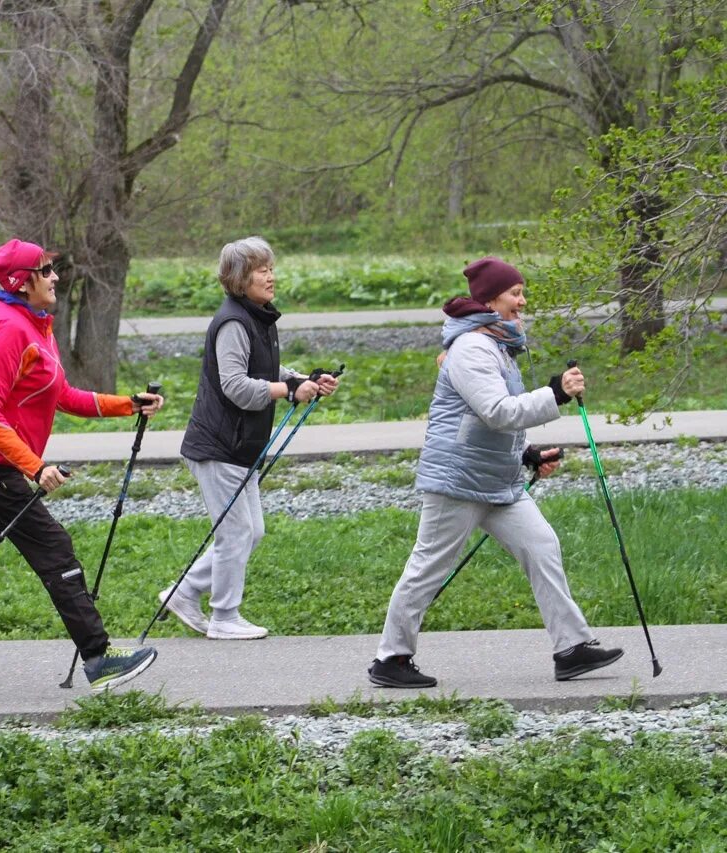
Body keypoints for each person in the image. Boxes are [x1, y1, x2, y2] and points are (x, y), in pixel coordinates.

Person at [0, 238, 165, 701]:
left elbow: (63, 395)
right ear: (23, 281)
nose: (55, 277)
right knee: (54, 549)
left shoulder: (36, 326)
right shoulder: (8, 330)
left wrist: (126, 405)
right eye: (46, 271)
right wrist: (34, 468)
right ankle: (98, 658)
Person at [369, 256, 623, 688]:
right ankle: (390, 660)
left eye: (522, 293)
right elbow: (496, 411)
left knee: (542, 546)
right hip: (458, 480)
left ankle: (572, 649)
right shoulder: (472, 349)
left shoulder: (497, 345)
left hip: (497, 481)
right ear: (489, 301)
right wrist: (556, 393)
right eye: (515, 294)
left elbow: (495, 422)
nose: (522, 302)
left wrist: (528, 454)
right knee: (429, 565)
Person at [165, 236, 340, 640]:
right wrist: (287, 391)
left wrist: (301, 379)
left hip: (241, 447)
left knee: (251, 531)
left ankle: (185, 591)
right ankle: (224, 617)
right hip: (219, 445)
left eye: (271, 268)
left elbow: (265, 369)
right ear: (239, 279)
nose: (270, 276)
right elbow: (236, 386)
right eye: (261, 270)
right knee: (235, 532)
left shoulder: (257, 317)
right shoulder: (233, 322)